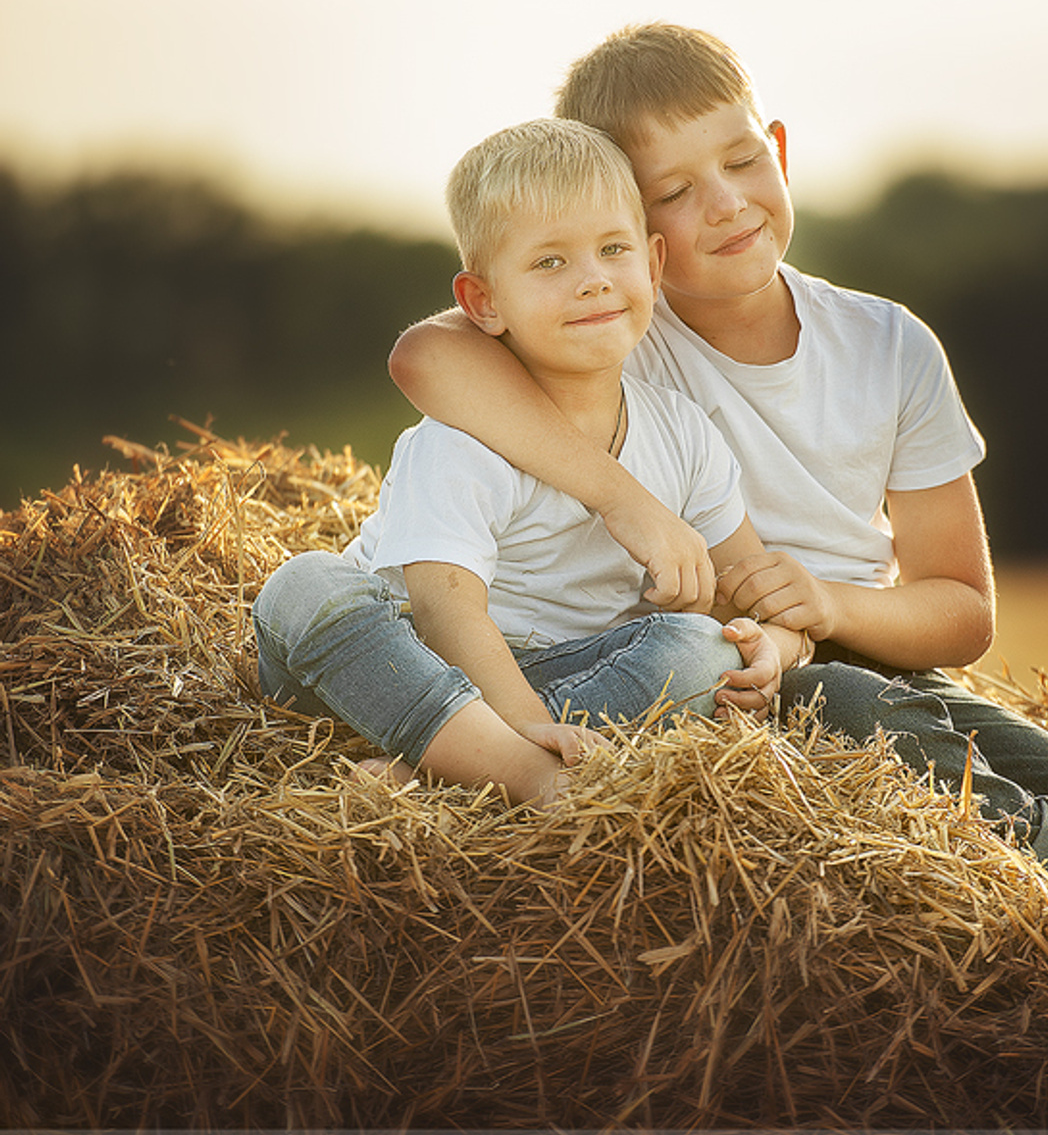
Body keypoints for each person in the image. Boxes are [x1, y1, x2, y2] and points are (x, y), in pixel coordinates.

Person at [387, 23, 1048, 890]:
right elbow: (425, 356)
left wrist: (826, 604)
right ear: (629, 223)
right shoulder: (614, 329)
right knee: (867, 723)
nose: (728, 204)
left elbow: (962, 610)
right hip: (728, 679)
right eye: (676, 190)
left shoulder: (888, 344)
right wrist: (627, 500)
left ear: (777, 146)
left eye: (741, 162)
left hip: (866, 650)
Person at [253, 116, 810, 810]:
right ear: (483, 303)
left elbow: (742, 592)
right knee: (306, 586)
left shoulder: (684, 433)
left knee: (699, 653)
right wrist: (523, 728)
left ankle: (449, 771)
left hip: (568, 671)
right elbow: (442, 612)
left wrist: (772, 644)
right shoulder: (460, 438)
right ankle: (522, 773)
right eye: (551, 262)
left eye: (614, 249)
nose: (593, 281)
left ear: (653, 264)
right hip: (394, 665)